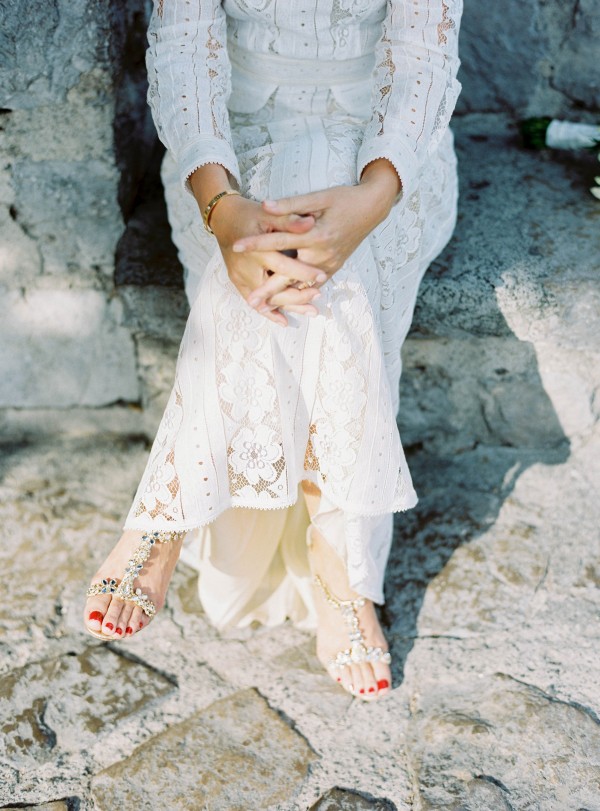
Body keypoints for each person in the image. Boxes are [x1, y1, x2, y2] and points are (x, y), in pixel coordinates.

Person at [84, 0, 462, 702]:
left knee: (322, 275)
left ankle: (171, 503)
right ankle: (342, 564)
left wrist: (372, 200)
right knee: (282, 257)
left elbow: (424, 61)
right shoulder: (222, 183)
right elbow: (183, 47)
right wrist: (227, 217)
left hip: (388, 160)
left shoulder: (384, 170)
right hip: (224, 162)